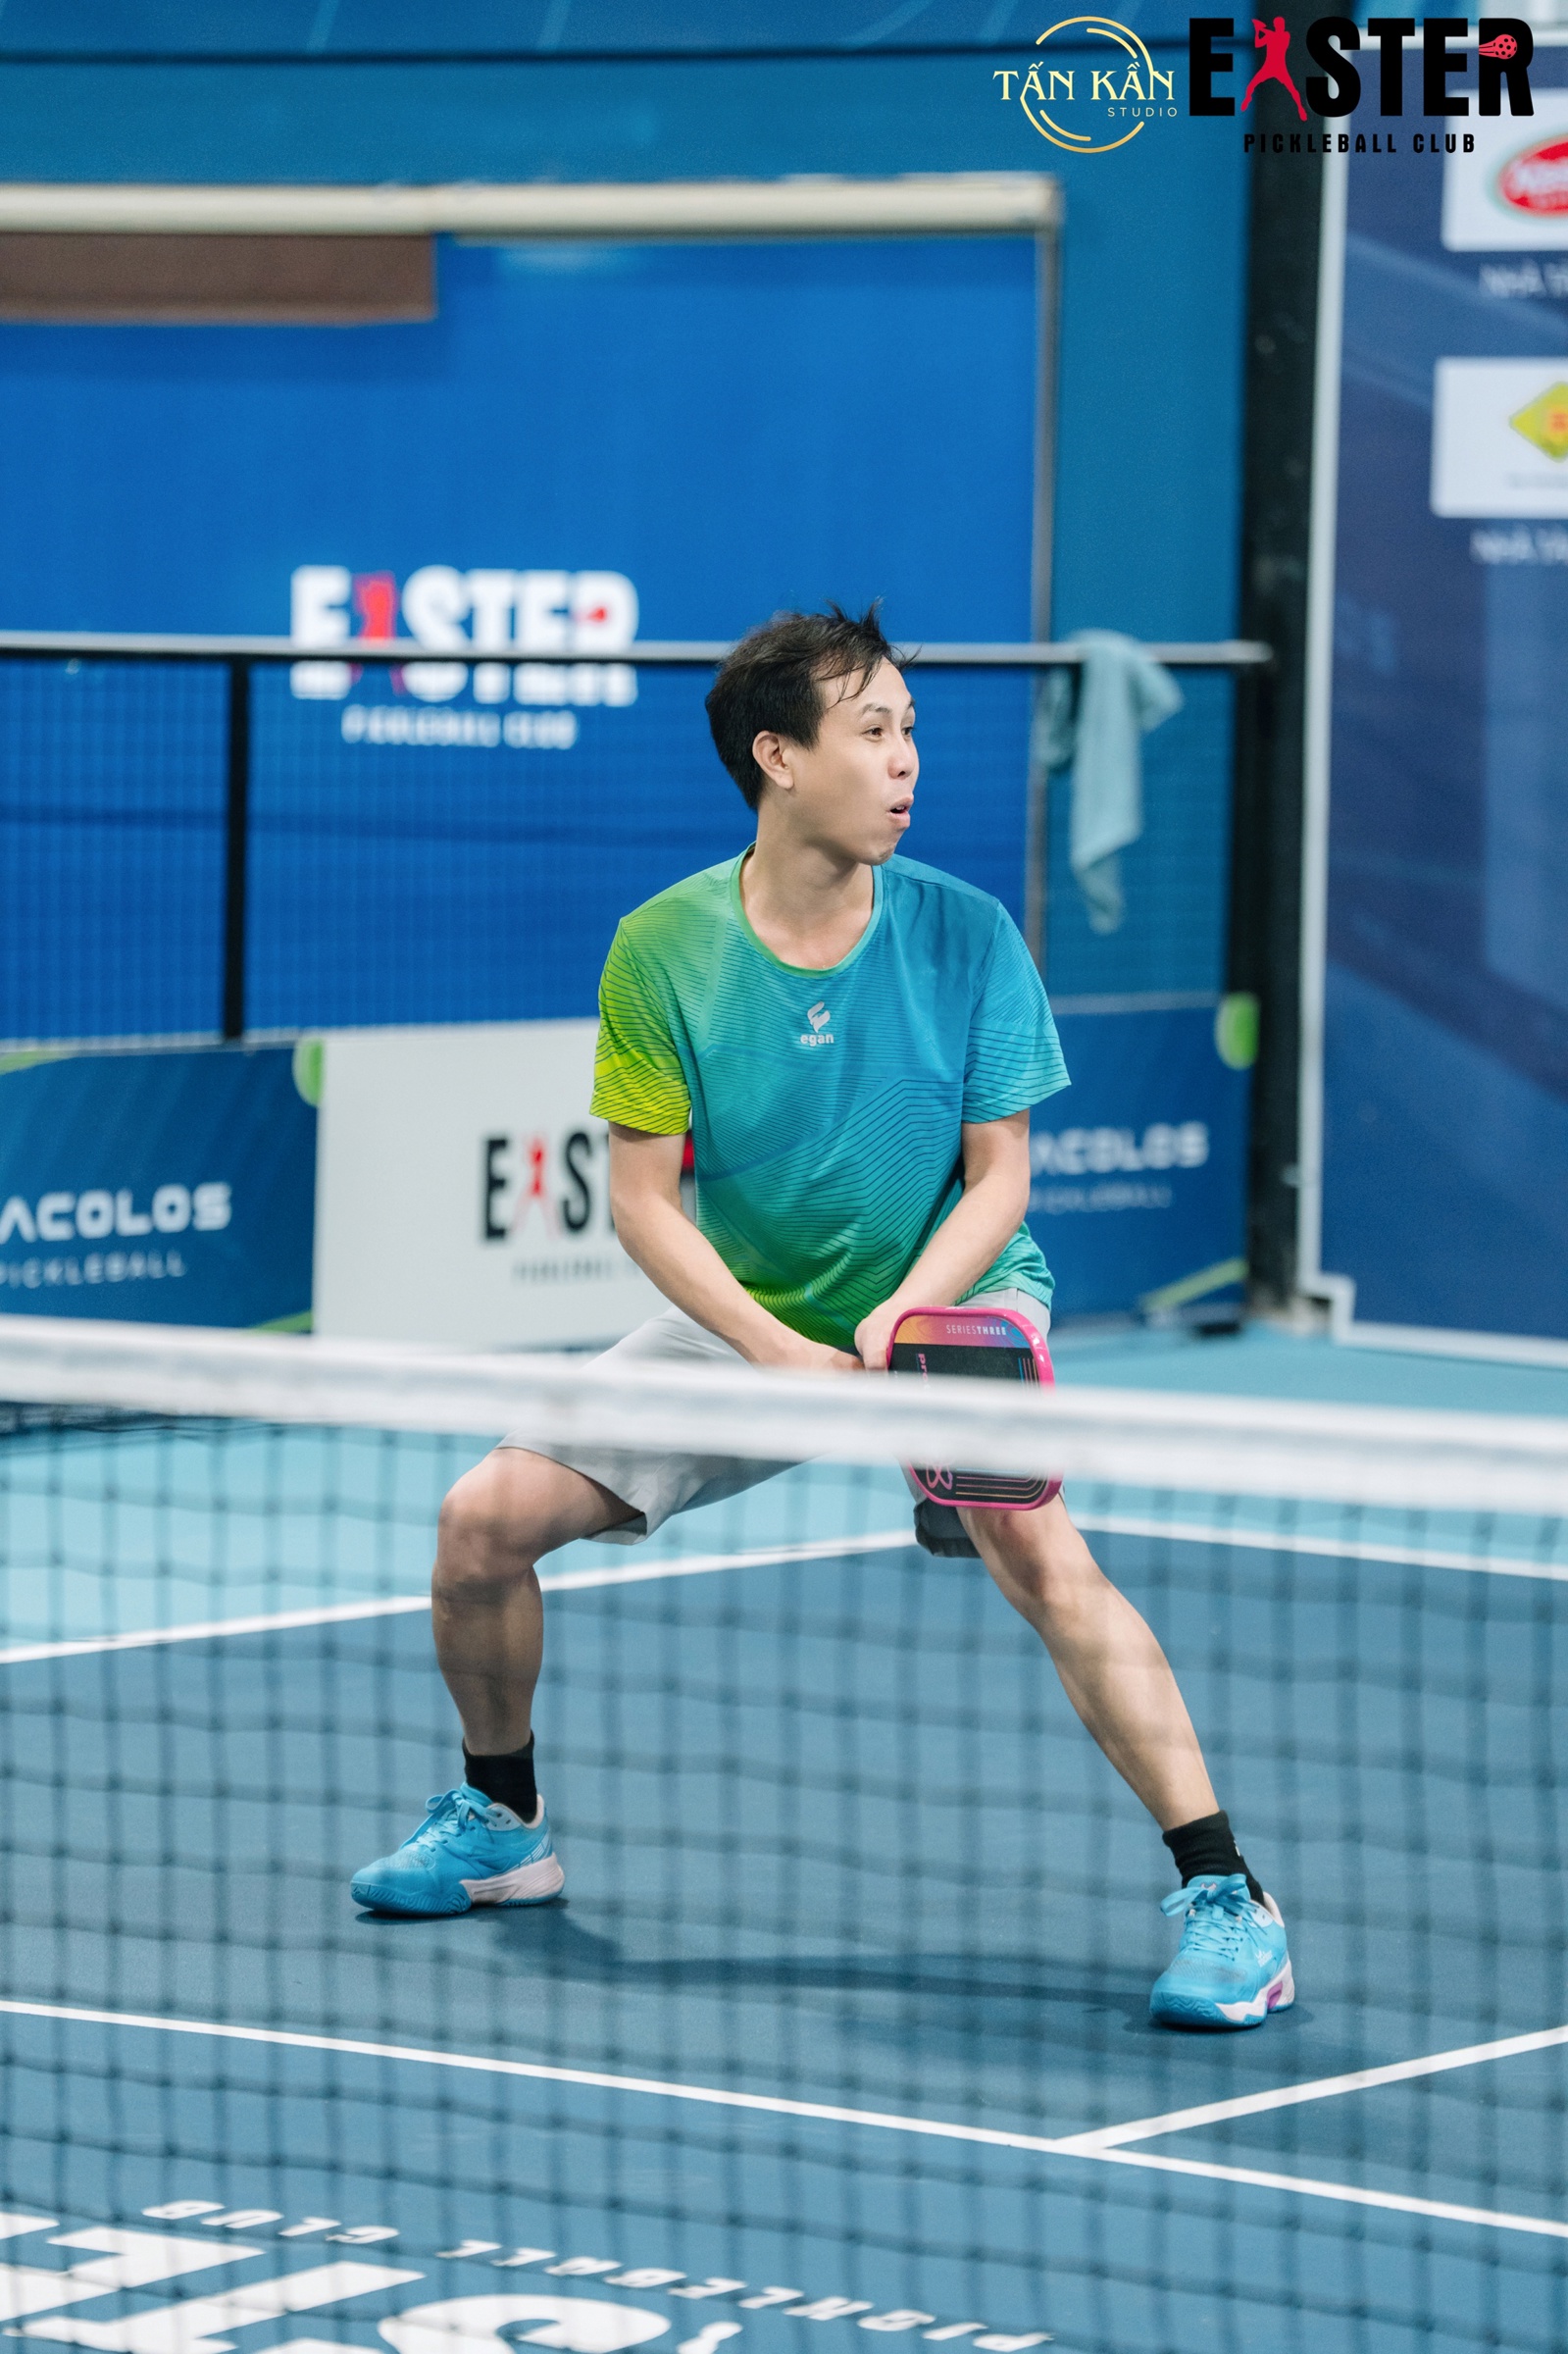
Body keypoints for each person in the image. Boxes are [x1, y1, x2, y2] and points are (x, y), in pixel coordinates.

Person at [350, 605, 1292, 2032]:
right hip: (750, 1323)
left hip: (953, 1303)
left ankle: (1229, 1898)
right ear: (777, 757)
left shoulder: (966, 934)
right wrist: (776, 1355)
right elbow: (646, 1207)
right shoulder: (663, 949)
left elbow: (1001, 1176)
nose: (907, 761)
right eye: (874, 731)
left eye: (912, 730)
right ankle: (501, 1821)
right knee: (480, 1523)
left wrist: (909, 1314)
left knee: (1039, 1550)